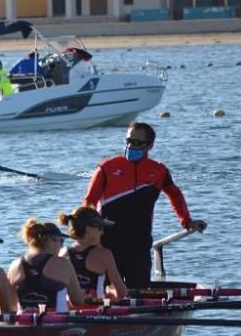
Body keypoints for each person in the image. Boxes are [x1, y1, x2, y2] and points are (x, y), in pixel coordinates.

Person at [83, 122, 207, 290]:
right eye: (128, 140)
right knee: (105, 292)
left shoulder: (159, 171)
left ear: (149, 146)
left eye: (136, 143)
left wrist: (186, 221)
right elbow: (89, 202)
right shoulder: (106, 168)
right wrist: (89, 236)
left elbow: (175, 194)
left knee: (139, 291)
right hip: (107, 243)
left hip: (139, 244)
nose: (130, 145)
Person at [7, 219, 84, 312]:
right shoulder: (63, 264)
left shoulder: (14, 265)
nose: (61, 246)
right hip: (58, 325)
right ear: (50, 241)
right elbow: (77, 301)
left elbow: (10, 306)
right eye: (61, 241)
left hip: (24, 323)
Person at [58, 206, 128, 302]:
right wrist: (110, 291)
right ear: (88, 229)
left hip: (69, 309)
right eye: (100, 227)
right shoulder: (104, 255)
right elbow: (122, 293)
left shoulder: (62, 253)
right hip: (96, 310)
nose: (102, 232)